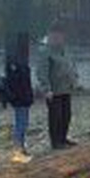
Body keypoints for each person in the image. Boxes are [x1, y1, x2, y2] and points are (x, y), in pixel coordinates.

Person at [36, 21, 79, 150]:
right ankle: (55, 142)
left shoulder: (65, 50)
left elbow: (71, 66)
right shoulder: (45, 51)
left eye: (60, 35)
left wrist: (75, 79)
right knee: (56, 117)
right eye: (55, 35)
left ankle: (63, 138)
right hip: (53, 91)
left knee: (66, 115)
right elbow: (41, 72)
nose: (58, 38)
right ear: (50, 35)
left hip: (66, 88)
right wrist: (46, 89)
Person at [5, 32, 34, 164]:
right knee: (20, 124)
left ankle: (21, 148)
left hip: (23, 98)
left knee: (23, 124)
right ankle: (18, 151)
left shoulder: (20, 61)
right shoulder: (15, 62)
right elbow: (17, 82)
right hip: (20, 98)